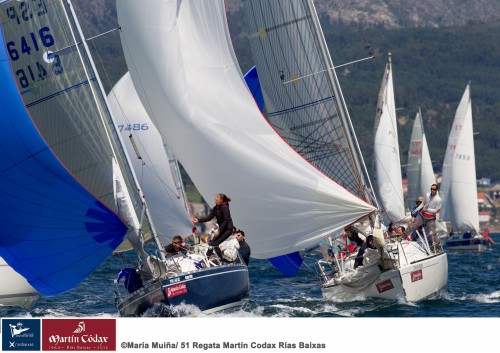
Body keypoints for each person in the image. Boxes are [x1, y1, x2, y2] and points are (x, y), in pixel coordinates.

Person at [192, 193, 234, 259]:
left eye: (217, 197)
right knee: (211, 243)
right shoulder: (215, 208)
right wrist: (198, 220)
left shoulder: (224, 207)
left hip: (228, 229)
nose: (215, 198)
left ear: (221, 200)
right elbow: (209, 218)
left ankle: (221, 259)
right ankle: (207, 259)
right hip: (222, 229)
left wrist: (219, 231)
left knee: (214, 244)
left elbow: (226, 220)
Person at [403, 184, 442, 250]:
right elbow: (423, 204)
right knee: (412, 226)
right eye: (431, 189)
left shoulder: (438, 200)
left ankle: (437, 249)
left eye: (434, 189)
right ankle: (402, 237)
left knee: (433, 234)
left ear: (436, 190)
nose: (432, 190)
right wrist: (416, 210)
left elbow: (437, 210)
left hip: (430, 218)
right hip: (422, 215)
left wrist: (428, 209)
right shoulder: (427, 195)